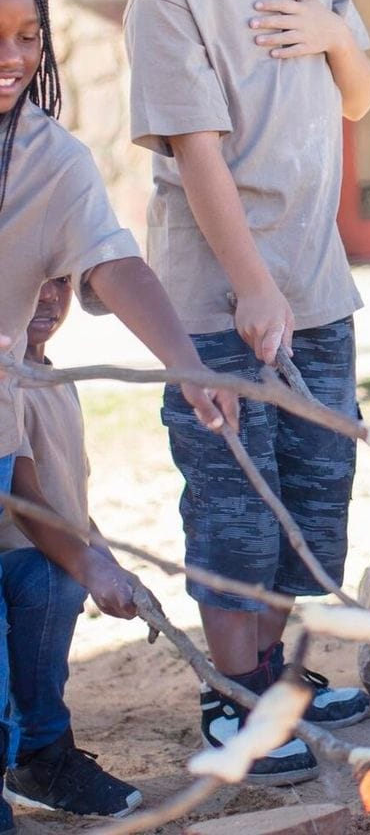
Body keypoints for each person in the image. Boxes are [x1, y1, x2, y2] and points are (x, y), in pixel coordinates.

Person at [124, 0, 370, 785]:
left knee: (319, 491)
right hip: (221, 302)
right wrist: (254, 286)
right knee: (236, 498)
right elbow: (197, 154)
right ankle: (235, 698)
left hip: (320, 287)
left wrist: (331, 35)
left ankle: (302, 675)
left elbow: (359, 95)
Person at [0, 0, 236, 832]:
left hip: (15, 410)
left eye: (28, 36)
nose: (13, 57)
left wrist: (186, 362)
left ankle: (42, 752)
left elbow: (112, 262)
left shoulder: (51, 158)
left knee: (46, 579)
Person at [1, 278, 144, 818]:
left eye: (59, 282)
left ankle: (36, 748)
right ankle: (40, 754)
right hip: (22, 564)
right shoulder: (7, 380)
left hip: (52, 553)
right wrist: (87, 570)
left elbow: (72, 503)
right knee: (54, 579)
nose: (46, 297)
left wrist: (111, 566)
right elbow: (27, 501)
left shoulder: (59, 378)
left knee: (64, 575)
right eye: (30, 280)